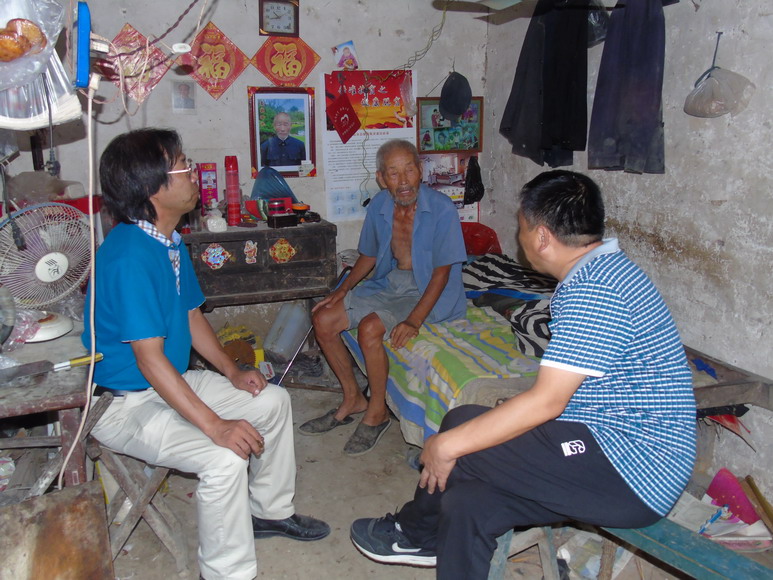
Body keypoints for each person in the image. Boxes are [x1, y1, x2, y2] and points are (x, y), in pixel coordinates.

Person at [350, 170, 697, 578]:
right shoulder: (599, 272)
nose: (519, 237)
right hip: (598, 437)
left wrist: (445, 446)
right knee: (466, 499)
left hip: (632, 468)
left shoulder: (595, 290)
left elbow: (547, 401)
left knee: (458, 443)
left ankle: (413, 531)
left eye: (522, 227)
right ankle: (428, 540)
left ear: (542, 237)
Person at [84, 129, 329, 580]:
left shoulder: (168, 242)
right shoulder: (129, 257)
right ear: (151, 187)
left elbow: (192, 314)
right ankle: (224, 572)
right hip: (124, 404)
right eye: (182, 164)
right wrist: (214, 425)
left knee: (271, 401)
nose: (192, 171)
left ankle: (269, 512)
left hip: (168, 383)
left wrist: (232, 371)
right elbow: (149, 360)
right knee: (223, 456)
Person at [300, 139, 467, 456]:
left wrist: (414, 320)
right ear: (381, 178)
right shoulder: (379, 205)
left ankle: (377, 412)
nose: (403, 181)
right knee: (323, 318)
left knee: (370, 328)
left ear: (420, 171)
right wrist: (342, 290)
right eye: (393, 173)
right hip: (391, 282)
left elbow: (441, 274)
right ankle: (353, 398)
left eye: (409, 170)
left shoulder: (442, 209)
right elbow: (369, 255)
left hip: (428, 289)